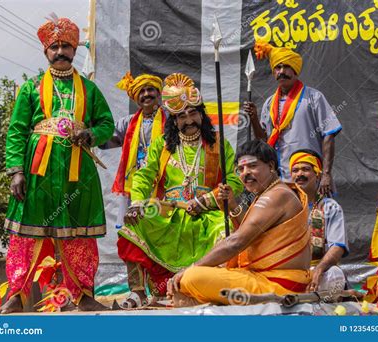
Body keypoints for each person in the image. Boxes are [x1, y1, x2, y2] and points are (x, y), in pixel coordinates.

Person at [0, 16, 114, 313]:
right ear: (45, 52)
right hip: (39, 174)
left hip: (79, 174)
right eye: (55, 47)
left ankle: (84, 294)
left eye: (66, 46)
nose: (60, 52)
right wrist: (16, 171)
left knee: (80, 235)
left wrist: (91, 134)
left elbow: (106, 123)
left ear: (75, 50)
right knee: (26, 235)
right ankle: (16, 294)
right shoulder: (30, 88)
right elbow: (16, 131)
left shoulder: (90, 89)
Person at [116, 73, 243, 308]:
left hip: (207, 211)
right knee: (132, 223)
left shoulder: (218, 144)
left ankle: (211, 289)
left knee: (224, 232)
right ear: (174, 121)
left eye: (193, 112)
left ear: (202, 115)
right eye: (181, 116)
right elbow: (143, 176)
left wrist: (208, 199)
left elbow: (234, 180)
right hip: (169, 210)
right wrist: (137, 203)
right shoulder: (162, 145)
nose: (188, 119)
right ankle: (138, 293)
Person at [168, 139, 311, 307]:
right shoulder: (270, 192)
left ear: (271, 166)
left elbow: (236, 242)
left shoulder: (277, 195)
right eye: (241, 169)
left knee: (191, 277)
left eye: (252, 166)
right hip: (265, 277)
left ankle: (196, 297)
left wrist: (191, 268)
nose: (245, 173)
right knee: (202, 274)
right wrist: (233, 205)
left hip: (277, 284)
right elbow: (253, 233)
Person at [243, 41, 342, 196]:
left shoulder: (313, 97)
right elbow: (264, 141)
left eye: (286, 67)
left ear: (295, 70)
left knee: (316, 218)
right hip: (280, 177)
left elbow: (329, 134)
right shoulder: (270, 103)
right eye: (277, 67)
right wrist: (254, 118)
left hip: (309, 176)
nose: (282, 71)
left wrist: (326, 174)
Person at [99, 72, 166, 226]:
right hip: (134, 185)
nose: (146, 94)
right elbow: (105, 139)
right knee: (132, 231)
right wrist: (93, 131)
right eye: (141, 91)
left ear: (158, 93)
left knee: (161, 229)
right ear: (136, 99)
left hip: (164, 181)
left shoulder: (170, 119)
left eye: (150, 89)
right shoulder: (128, 123)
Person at [290, 150, 349, 292]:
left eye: (306, 169)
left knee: (335, 275)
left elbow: (338, 247)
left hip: (319, 271)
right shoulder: (284, 206)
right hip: (289, 271)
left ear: (317, 174)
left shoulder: (330, 207)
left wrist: (318, 270)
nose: (299, 174)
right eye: (295, 170)